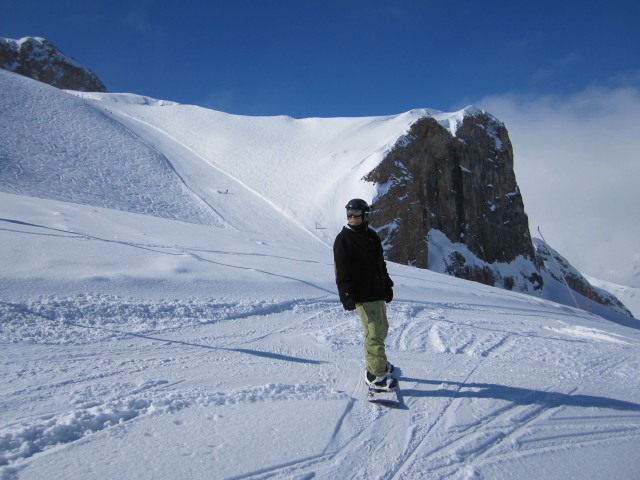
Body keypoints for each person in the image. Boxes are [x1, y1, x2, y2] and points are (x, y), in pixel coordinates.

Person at [333, 198, 397, 391]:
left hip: (376, 291)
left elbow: (380, 263)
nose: (352, 217)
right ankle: (375, 375)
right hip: (361, 294)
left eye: (356, 214)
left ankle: (377, 364)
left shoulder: (371, 235)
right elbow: (341, 270)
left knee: (382, 328)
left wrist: (387, 285)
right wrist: (345, 293)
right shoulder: (343, 239)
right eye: (349, 214)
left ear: (365, 215)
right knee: (374, 333)